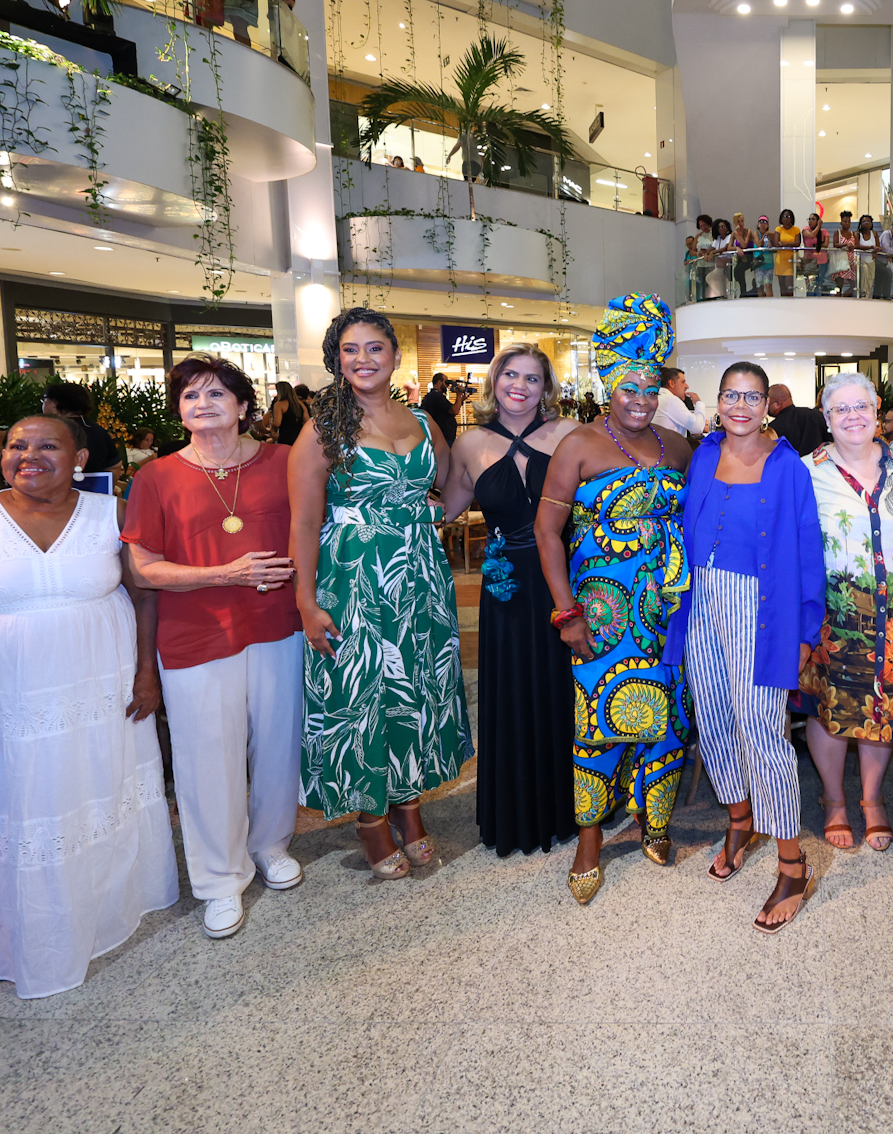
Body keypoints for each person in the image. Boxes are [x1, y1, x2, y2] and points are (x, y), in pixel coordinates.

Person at [0, 413, 176, 999]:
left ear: (79, 459)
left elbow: (144, 596)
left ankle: (100, 911)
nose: (30, 455)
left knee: (89, 792)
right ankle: (4, 932)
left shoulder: (111, 513)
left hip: (97, 696)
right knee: (1, 804)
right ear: (1, 458)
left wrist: (148, 672)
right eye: (17, 445)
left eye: (49, 445)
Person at [123, 356, 304, 941]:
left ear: (244, 406)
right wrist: (225, 574)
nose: (203, 404)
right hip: (196, 632)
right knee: (207, 757)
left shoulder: (282, 462)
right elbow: (143, 569)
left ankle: (271, 845)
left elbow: (318, 528)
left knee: (279, 742)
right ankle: (220, 879)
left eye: (217, 394)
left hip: (280, 624)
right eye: (190, 396)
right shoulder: (156, 477)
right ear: (179, 410)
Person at [290, 309, 471, 880]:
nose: (363, 359)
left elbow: (447, 486)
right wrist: (305, 601)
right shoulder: (323, 427)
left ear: (394, 356)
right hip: (353, 578)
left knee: (413, 688)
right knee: (362, 695)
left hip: (418, 577)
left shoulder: (423, 419)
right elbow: (301, 523)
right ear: (336, 360)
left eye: (374, 348)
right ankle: (371, 820)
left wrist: (425, 515)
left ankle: (410, 808)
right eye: (350, 350)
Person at [533, 294, 694, 905]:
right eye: (630, 388)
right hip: (600, 613)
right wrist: (566, 611)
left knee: (665, 718)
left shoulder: (677, 447)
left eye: (651, 389)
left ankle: (655, 820)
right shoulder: (576, 444)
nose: (640, 400)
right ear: (609, 384)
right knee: (596, 725)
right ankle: (590, 841)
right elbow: (548, 532)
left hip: (667, 612)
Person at [666, 362, 825, 932]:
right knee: (713, 720)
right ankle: (740, 819)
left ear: (767, 405)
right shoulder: (704, 453)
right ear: (718, 399)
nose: (740, 405)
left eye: (751, 397)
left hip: (761, 610)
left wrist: (808, 630)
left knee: (762, 730)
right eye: (731, 395)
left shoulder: (789, 469)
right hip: (701, 602)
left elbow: (808, 552)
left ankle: (792, 862)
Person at [438, 343, 581, 857]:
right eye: (510, 376)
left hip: (562, 578)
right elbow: (446, 509)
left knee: (564, 688)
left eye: (533, 379)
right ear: (494, 382)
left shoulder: (567, 434)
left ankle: (572, 805)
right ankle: (518, 811)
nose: (520, 386)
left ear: (548, 388)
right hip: (506, 587)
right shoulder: (469, 444)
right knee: (514, 689)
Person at [797, 373, 893, 855]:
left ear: (877, 409)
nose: (853, 417)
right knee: (831, 710)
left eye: (861, 406)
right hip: (836, 611)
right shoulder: (807, 470)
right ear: (826, 417)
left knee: (881, 707)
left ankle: (871, 801)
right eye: (841, 409)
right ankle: (832, 800)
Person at [42, 382, 122, 477]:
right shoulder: (97, 430)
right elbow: (115, 466)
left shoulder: (48, 430)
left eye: (45, 400)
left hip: (55, 489)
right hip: (93, 488)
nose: (43, 404)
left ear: (55, 404)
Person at [765, 384, 827, 457]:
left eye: (768, 404)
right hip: (819, 465)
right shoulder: (815, 415)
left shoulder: (773, 429)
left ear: (778, 404)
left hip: (791, 467)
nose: (766, 408)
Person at [653, 367, 707, 438]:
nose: (687, 386)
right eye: (683, 382)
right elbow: (697, 428)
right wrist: (699, 403)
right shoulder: (671, 400)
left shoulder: (658, 397)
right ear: (671, 383)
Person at [421, 372, 464, 447]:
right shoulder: (436, 396)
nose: (447, 386)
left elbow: (451, 408)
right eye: (446, 382)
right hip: (443, 438)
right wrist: (459, 395)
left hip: (441, 436)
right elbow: (454, 410)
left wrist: (461, 399)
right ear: (439, 382)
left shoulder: (432, 395)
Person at [773, 208, 801, 297]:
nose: (786, 218)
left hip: (791, 262)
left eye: (788, 216)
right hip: (780, 261)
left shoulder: (796, 229)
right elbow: (777, 243)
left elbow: (797, 243)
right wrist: (789, 245)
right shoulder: (778, 229)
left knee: (789, 288)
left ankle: (790, 307)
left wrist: (784, 244)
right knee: (783, 289)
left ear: (792, 218)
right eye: (784, 216)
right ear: (781, 219)